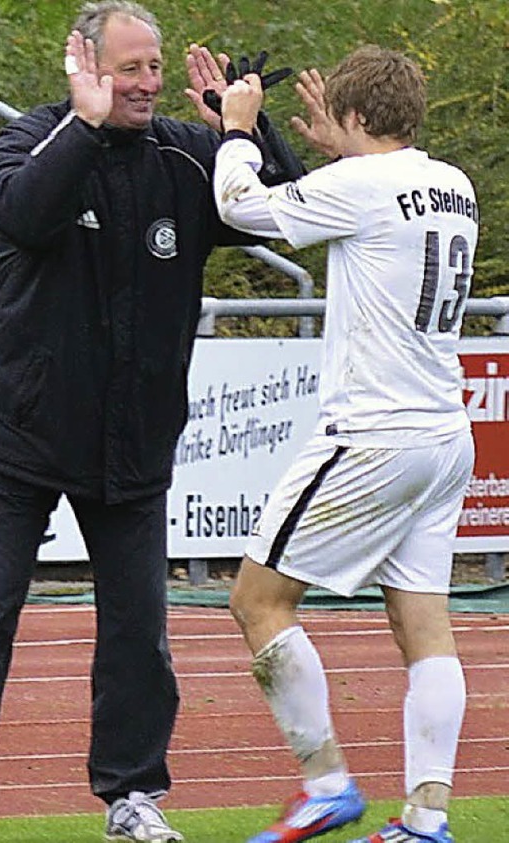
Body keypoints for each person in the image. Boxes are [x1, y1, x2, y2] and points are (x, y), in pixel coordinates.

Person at [0, 3, 305, 843]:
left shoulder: (184, 156)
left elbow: (281, 212)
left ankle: (132, 796)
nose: (150, 83)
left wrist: (242, 130)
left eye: (155, 67)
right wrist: (82, 127)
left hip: (134, 441)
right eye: (131, 70)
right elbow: (18, 211)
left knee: (137, 628)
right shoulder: (33, 140)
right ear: (83, 67)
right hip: (23, 434)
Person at [213, 45, 478, 843]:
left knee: (257, 601)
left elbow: (238, 205)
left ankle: (326, 783)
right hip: (444, 432)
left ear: (357, 116)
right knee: (425, 624)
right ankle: (426, 819)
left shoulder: (358, 185)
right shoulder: (454, 185)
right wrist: (341, 149)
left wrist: (238, 128)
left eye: (341, 117)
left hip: (373, 432)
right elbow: (376, 204)